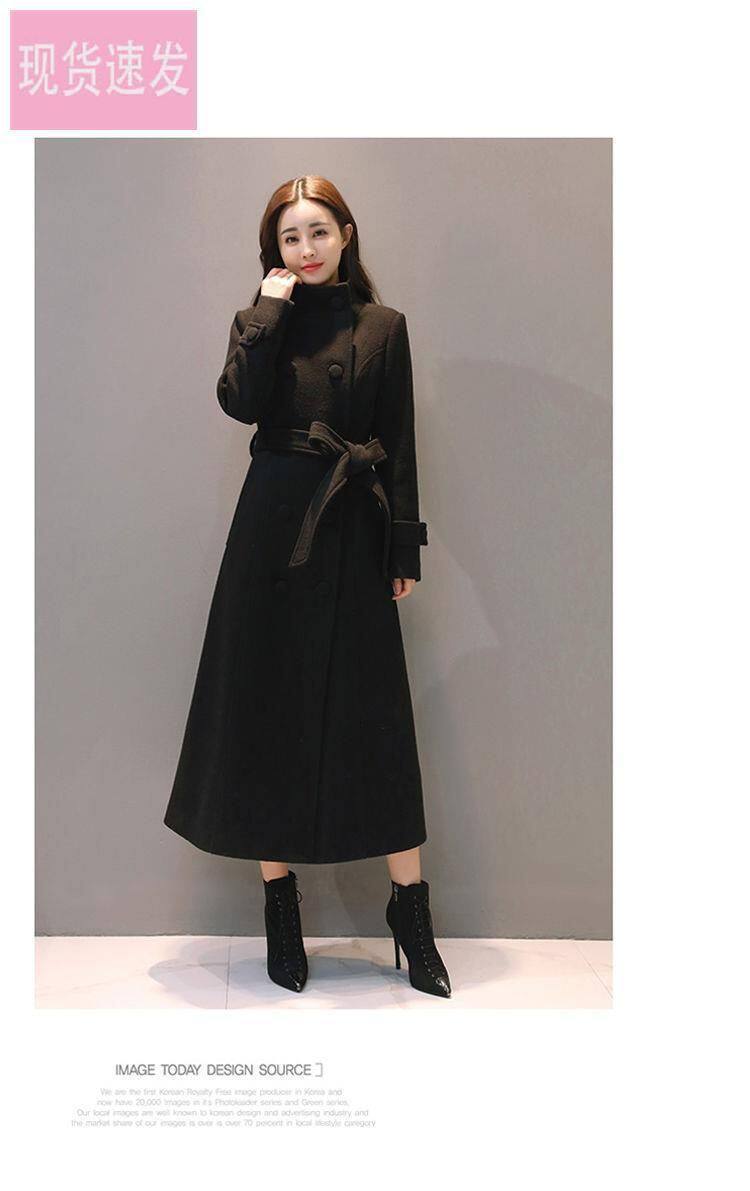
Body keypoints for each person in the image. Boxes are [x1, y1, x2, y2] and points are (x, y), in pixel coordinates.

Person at [164, 175, 451, 999]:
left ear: (346, 233)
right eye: (290, 237)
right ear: (275, 251)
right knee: (267, 712)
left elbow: (398, 440)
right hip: (270, 534)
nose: (307, 248)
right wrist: (267, 310)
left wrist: (402, 546)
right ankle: (280, 911)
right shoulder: (262, 321)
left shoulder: (383, 327)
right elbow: (239, 402)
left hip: (352, 524)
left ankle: (411, 913)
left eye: (318, 231)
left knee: (377, 718)